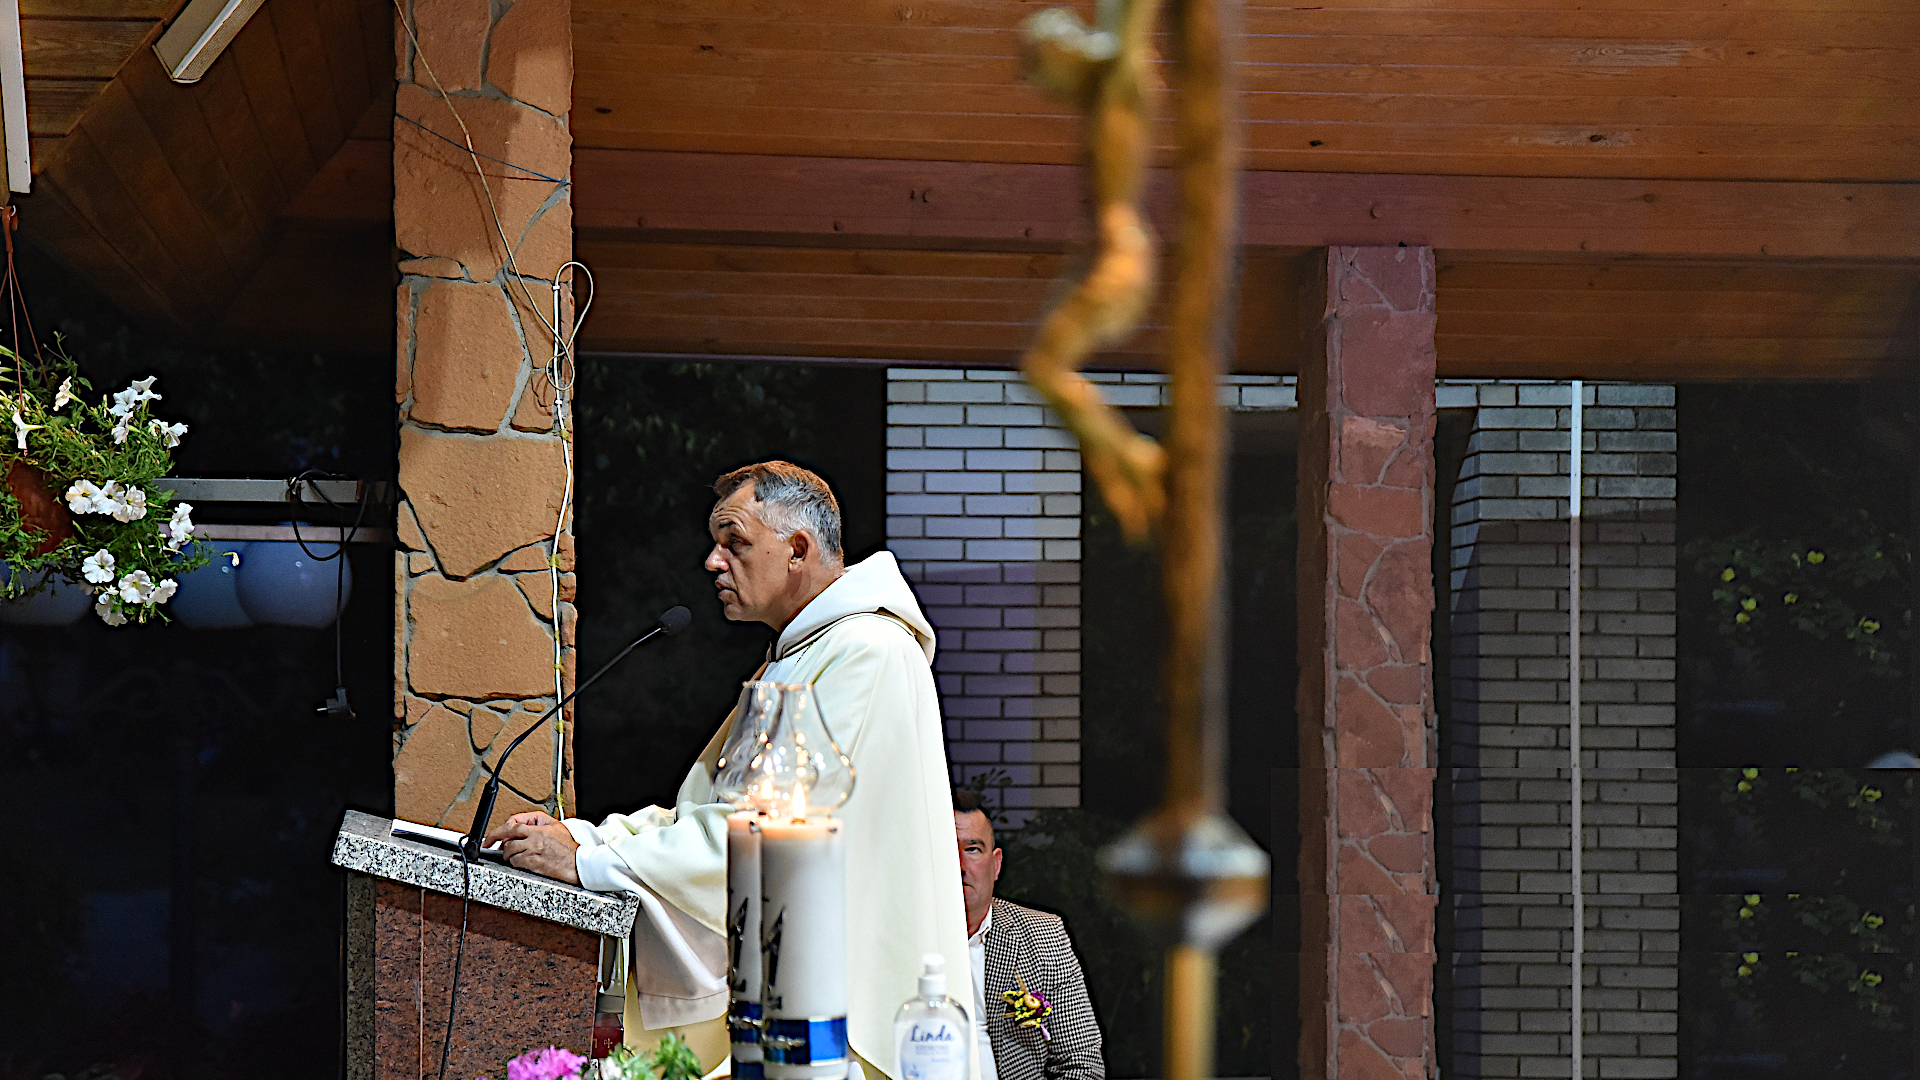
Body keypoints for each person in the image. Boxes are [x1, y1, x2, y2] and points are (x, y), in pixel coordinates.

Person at [488, 461, 973, 1080]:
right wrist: (589, 838)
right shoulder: (801, 653)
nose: (713, 561)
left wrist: (588, 864)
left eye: (735, 542)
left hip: (829, 1013)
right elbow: (704, 813)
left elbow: (761, 837)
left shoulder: (867, 652)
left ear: (797, 549)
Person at [953, 789, 1103, 1080]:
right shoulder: (900, 940)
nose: (960, 866)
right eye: (948, 849)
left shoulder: (1043, 935)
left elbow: (1082, 1063)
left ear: (996, 864)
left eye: (972, 849)